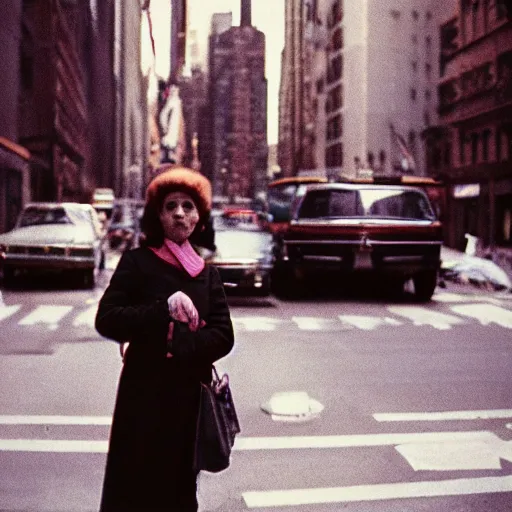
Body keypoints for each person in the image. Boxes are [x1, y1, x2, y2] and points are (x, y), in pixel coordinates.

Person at [95, 164, 235, 512]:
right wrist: (163, 311)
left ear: (198, 219)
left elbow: (224, 335)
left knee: (180, 492)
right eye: (171, 205)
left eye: (187, 207)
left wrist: (181, 345)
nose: (179, 213)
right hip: (142, 396)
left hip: (189, 400)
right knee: (135, 489)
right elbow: (107, 319)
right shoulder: (137, 263)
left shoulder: (208, 275)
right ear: (158, 215)